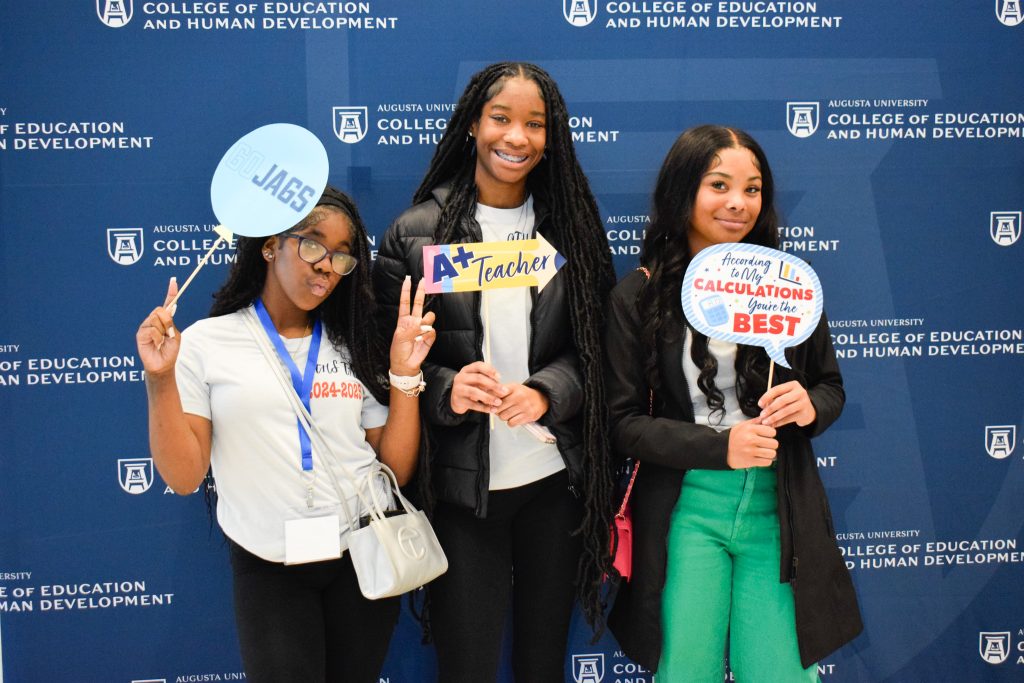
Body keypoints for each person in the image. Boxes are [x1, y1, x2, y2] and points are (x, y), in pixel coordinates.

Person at [372, 62, 616, 682]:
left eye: (534, 124)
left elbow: (600, 356)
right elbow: (383, 365)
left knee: (542, 666)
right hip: (461, 494)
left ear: (551, 135)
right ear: (473, 126)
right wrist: (450, 390)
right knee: (467, 667)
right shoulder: (418, 232)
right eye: (501, 118)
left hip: (554, 487)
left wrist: (546, 392)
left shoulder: (572, 231)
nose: (517, 136)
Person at [135, 186, 435, 683]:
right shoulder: (208, 343)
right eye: (313, 244)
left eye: (343, 257)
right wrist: (160, 379)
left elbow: (394, 468)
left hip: (361, 554)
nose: (326, 265)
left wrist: (403, 375)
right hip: (269, 564)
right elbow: (186, 476)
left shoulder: (353, 341)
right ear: (270, 245)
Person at [604, 125, 862, 681]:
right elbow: (623, 425)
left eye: (752, 188)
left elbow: (831, 388)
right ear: (682, 192)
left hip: (780, 508)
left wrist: (808, 404)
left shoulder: (786, 287)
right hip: (685, 511)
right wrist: (721, 446)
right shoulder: (639, 294)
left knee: (779, 670)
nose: (737, 203)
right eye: (718, 185)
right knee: (685, 669)